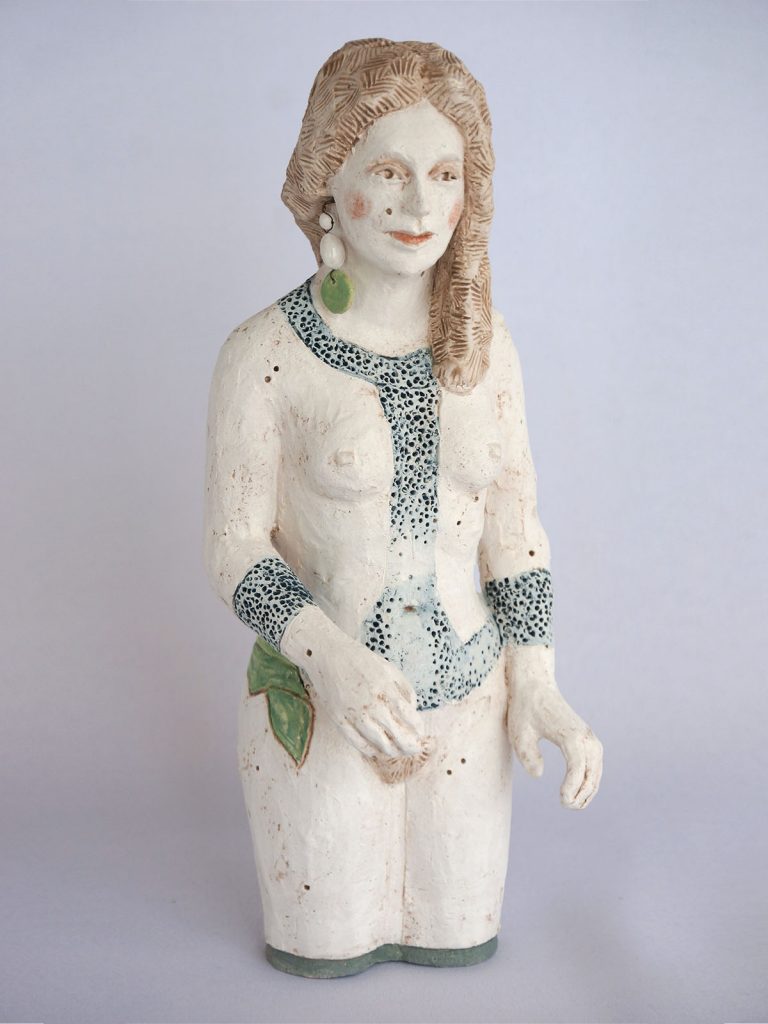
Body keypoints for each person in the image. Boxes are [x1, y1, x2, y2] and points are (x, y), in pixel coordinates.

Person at [204, 38, 603, 979]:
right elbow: (232, 546)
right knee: (324, 929)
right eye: (389, 173)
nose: (421, 206)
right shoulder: (265, 356)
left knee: (460, 926)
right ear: (327, 183)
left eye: (444, 175)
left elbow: (516, 535)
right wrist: (332, 660)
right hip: (325, 708)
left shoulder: (489, 347)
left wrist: (537, 680)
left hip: (471, 709)